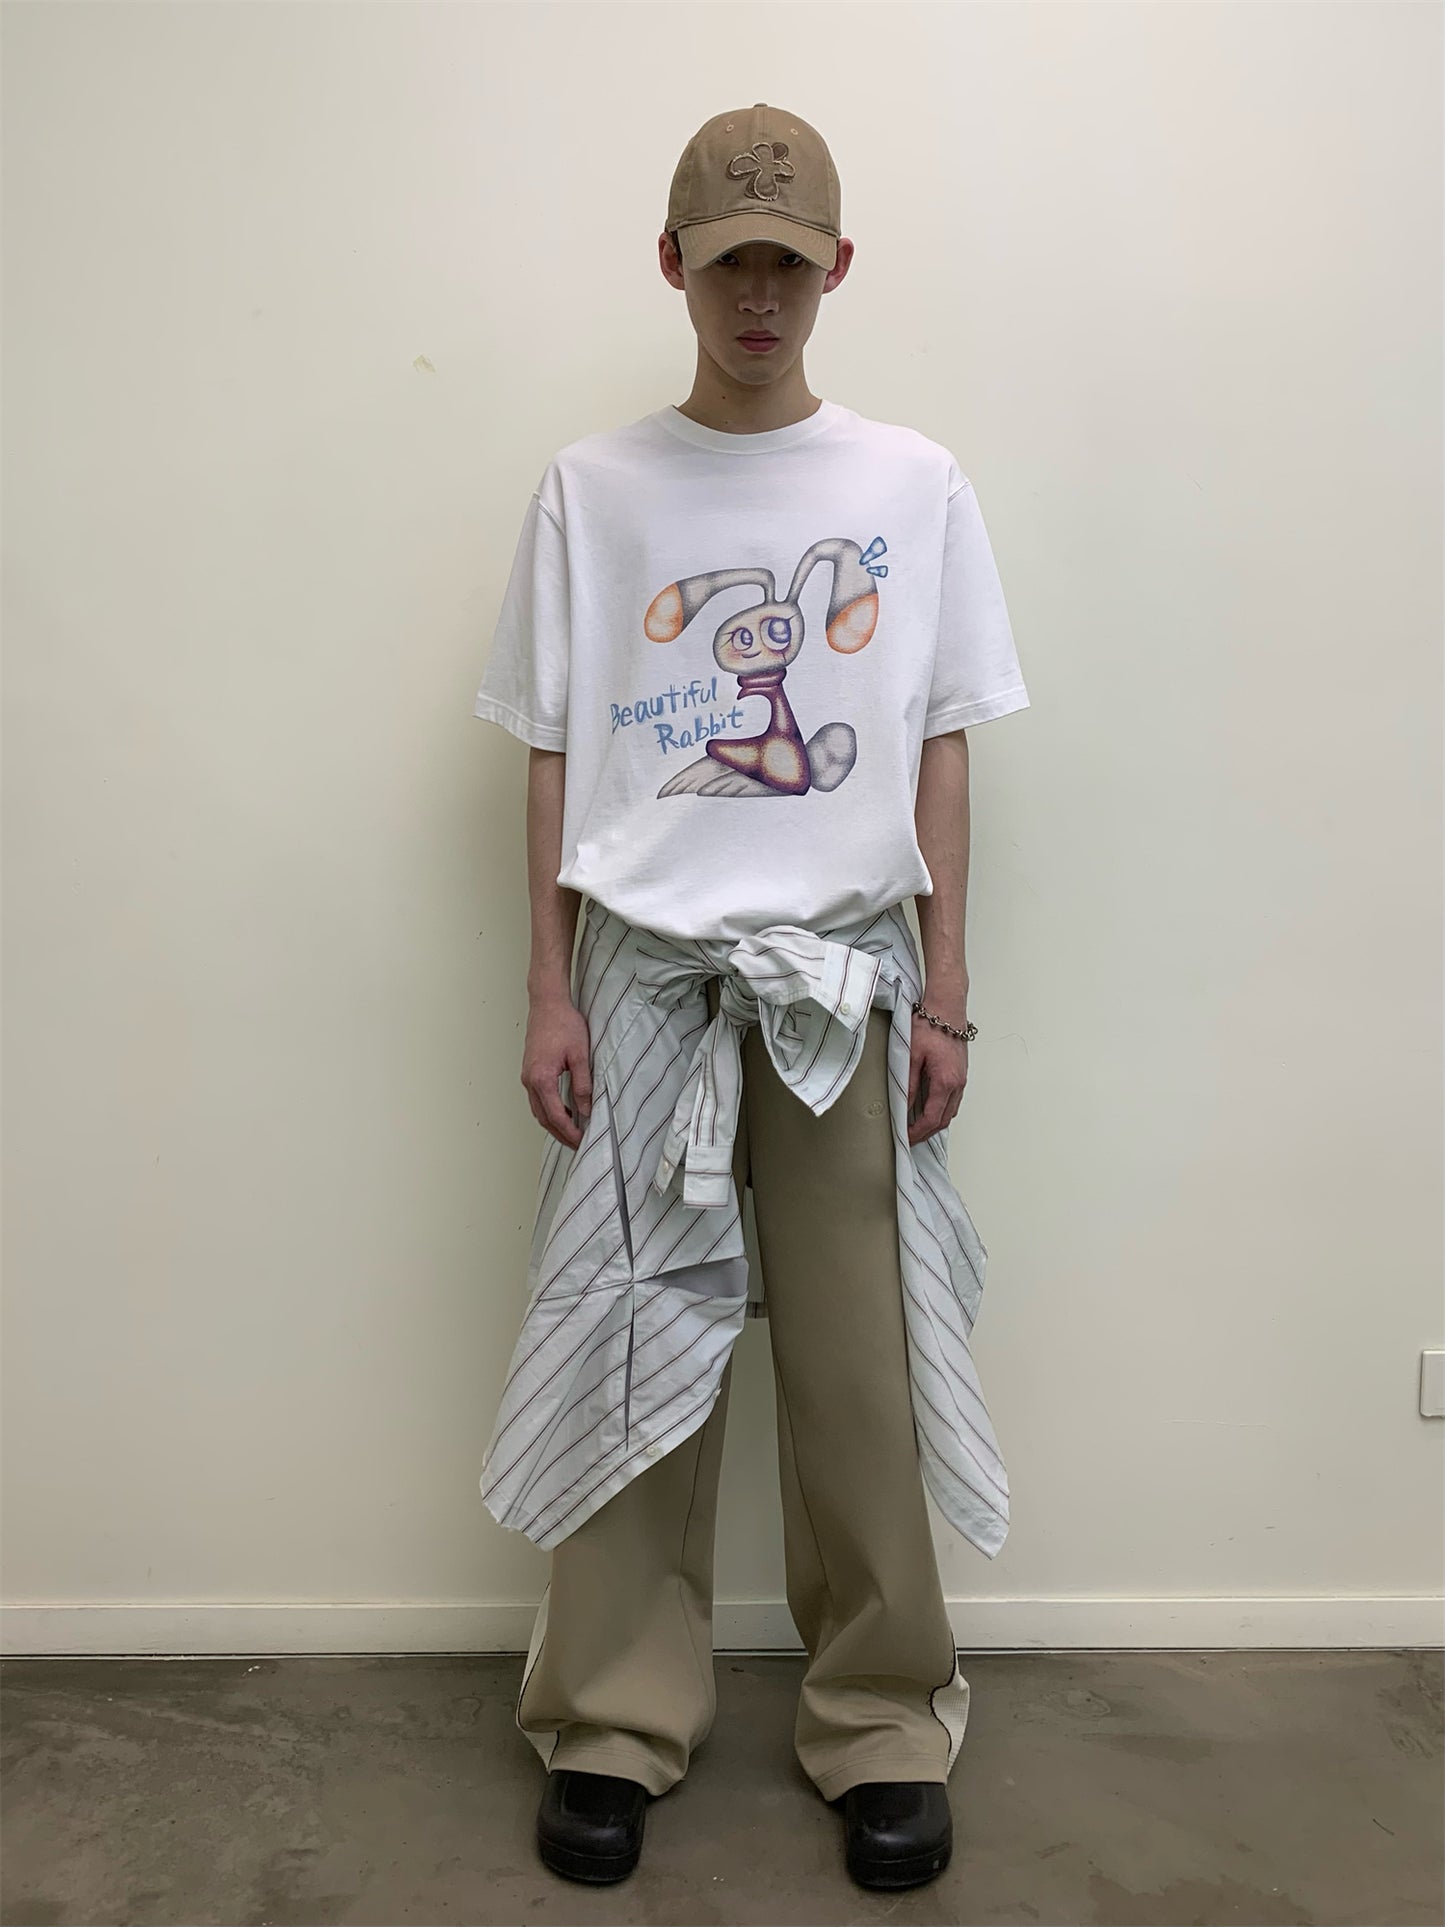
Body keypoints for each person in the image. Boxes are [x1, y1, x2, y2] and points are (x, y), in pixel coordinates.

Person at [470, 102, 1030, 1892]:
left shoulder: (910, 485)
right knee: (637, 1338)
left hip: (839, 985)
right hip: (647, 977)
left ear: (838, 266)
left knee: (858, 1369)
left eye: (789, 263)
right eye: (729, 265)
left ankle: (879, 1718)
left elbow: (940, 744)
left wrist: (946, 993)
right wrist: (547, 985)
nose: (759, 297)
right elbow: (551, 749)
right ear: (674, 266)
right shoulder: (595, 489)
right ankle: (613, 1719)